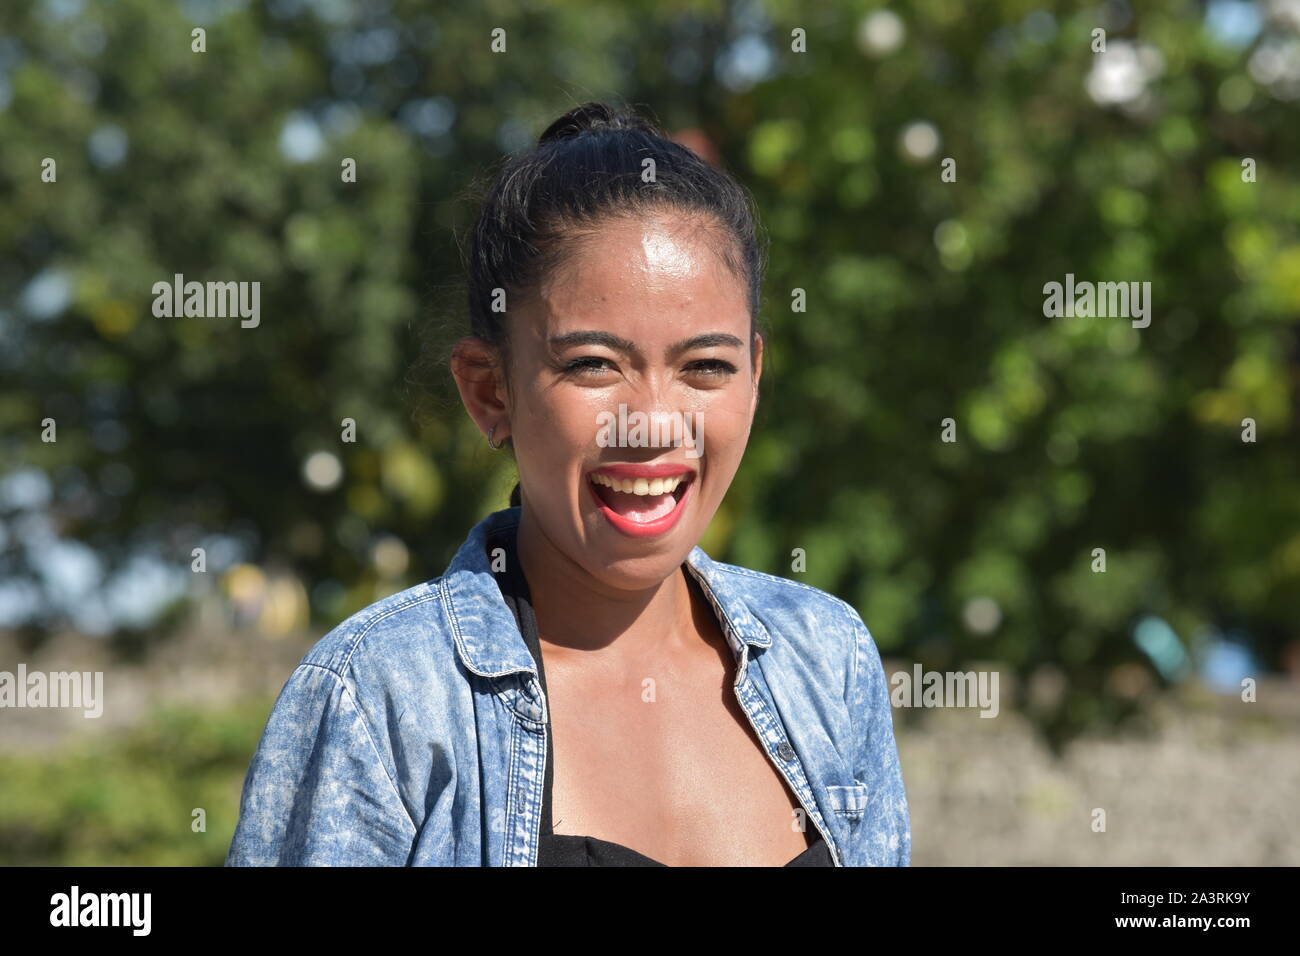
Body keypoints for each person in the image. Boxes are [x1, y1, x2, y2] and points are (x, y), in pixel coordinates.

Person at [226, 101, 910, 867]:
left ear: (755, 375)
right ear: (491, 391)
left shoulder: (828, 660)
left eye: (705, 368)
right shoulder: (380, 699)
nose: (653, 425)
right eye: (593, 365)